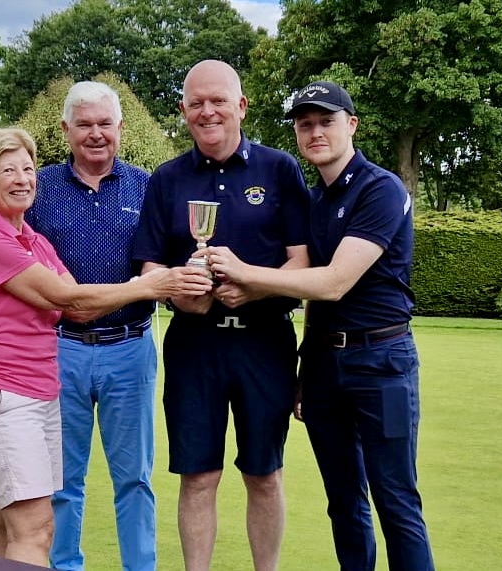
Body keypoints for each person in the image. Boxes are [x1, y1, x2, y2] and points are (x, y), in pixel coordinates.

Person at [0, 127, 212, 567]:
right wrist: (151, 284)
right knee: (35, 530)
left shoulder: (33, 241)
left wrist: (161, 281)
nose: (22, 179)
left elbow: (80, 308)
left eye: (28, 169)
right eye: (7, 170)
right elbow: (66, 298)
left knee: (5, 526)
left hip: (36, 393)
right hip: (6, 397)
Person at [204, 81, 435, 570]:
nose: (315, 133)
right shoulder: (314, 200)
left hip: (382, 364)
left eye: (326, 121)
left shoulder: (381, 189)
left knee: (395, 500)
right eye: (305, 124)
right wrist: (306, 370)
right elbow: (311, 294)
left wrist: (244, 274)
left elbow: (332, 283)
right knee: (344, 500)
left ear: (351, 125)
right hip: (327, 367)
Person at [132, 60, 310, 571]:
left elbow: (302, 261)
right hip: (195, 343)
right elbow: (150, 264)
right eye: (196, 103)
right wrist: (177, 293)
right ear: (183, 110)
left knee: (264, 474)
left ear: (241, 106)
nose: (207, 111)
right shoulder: (167, 178)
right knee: (198, 476)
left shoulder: (279, 169)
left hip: (265, 342)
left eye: (218, 101)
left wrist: (252, 287)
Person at [24, 81, 158, 571]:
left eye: (105, 123)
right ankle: (65, 566)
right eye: (84, 125)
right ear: (66, 130)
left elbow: (157, 264)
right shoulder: (40, 190)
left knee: (135, 479)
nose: (96, 134)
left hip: (130, 347)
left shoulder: (147, 186)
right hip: (61, 348)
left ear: (120, 127)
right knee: (62, 479)